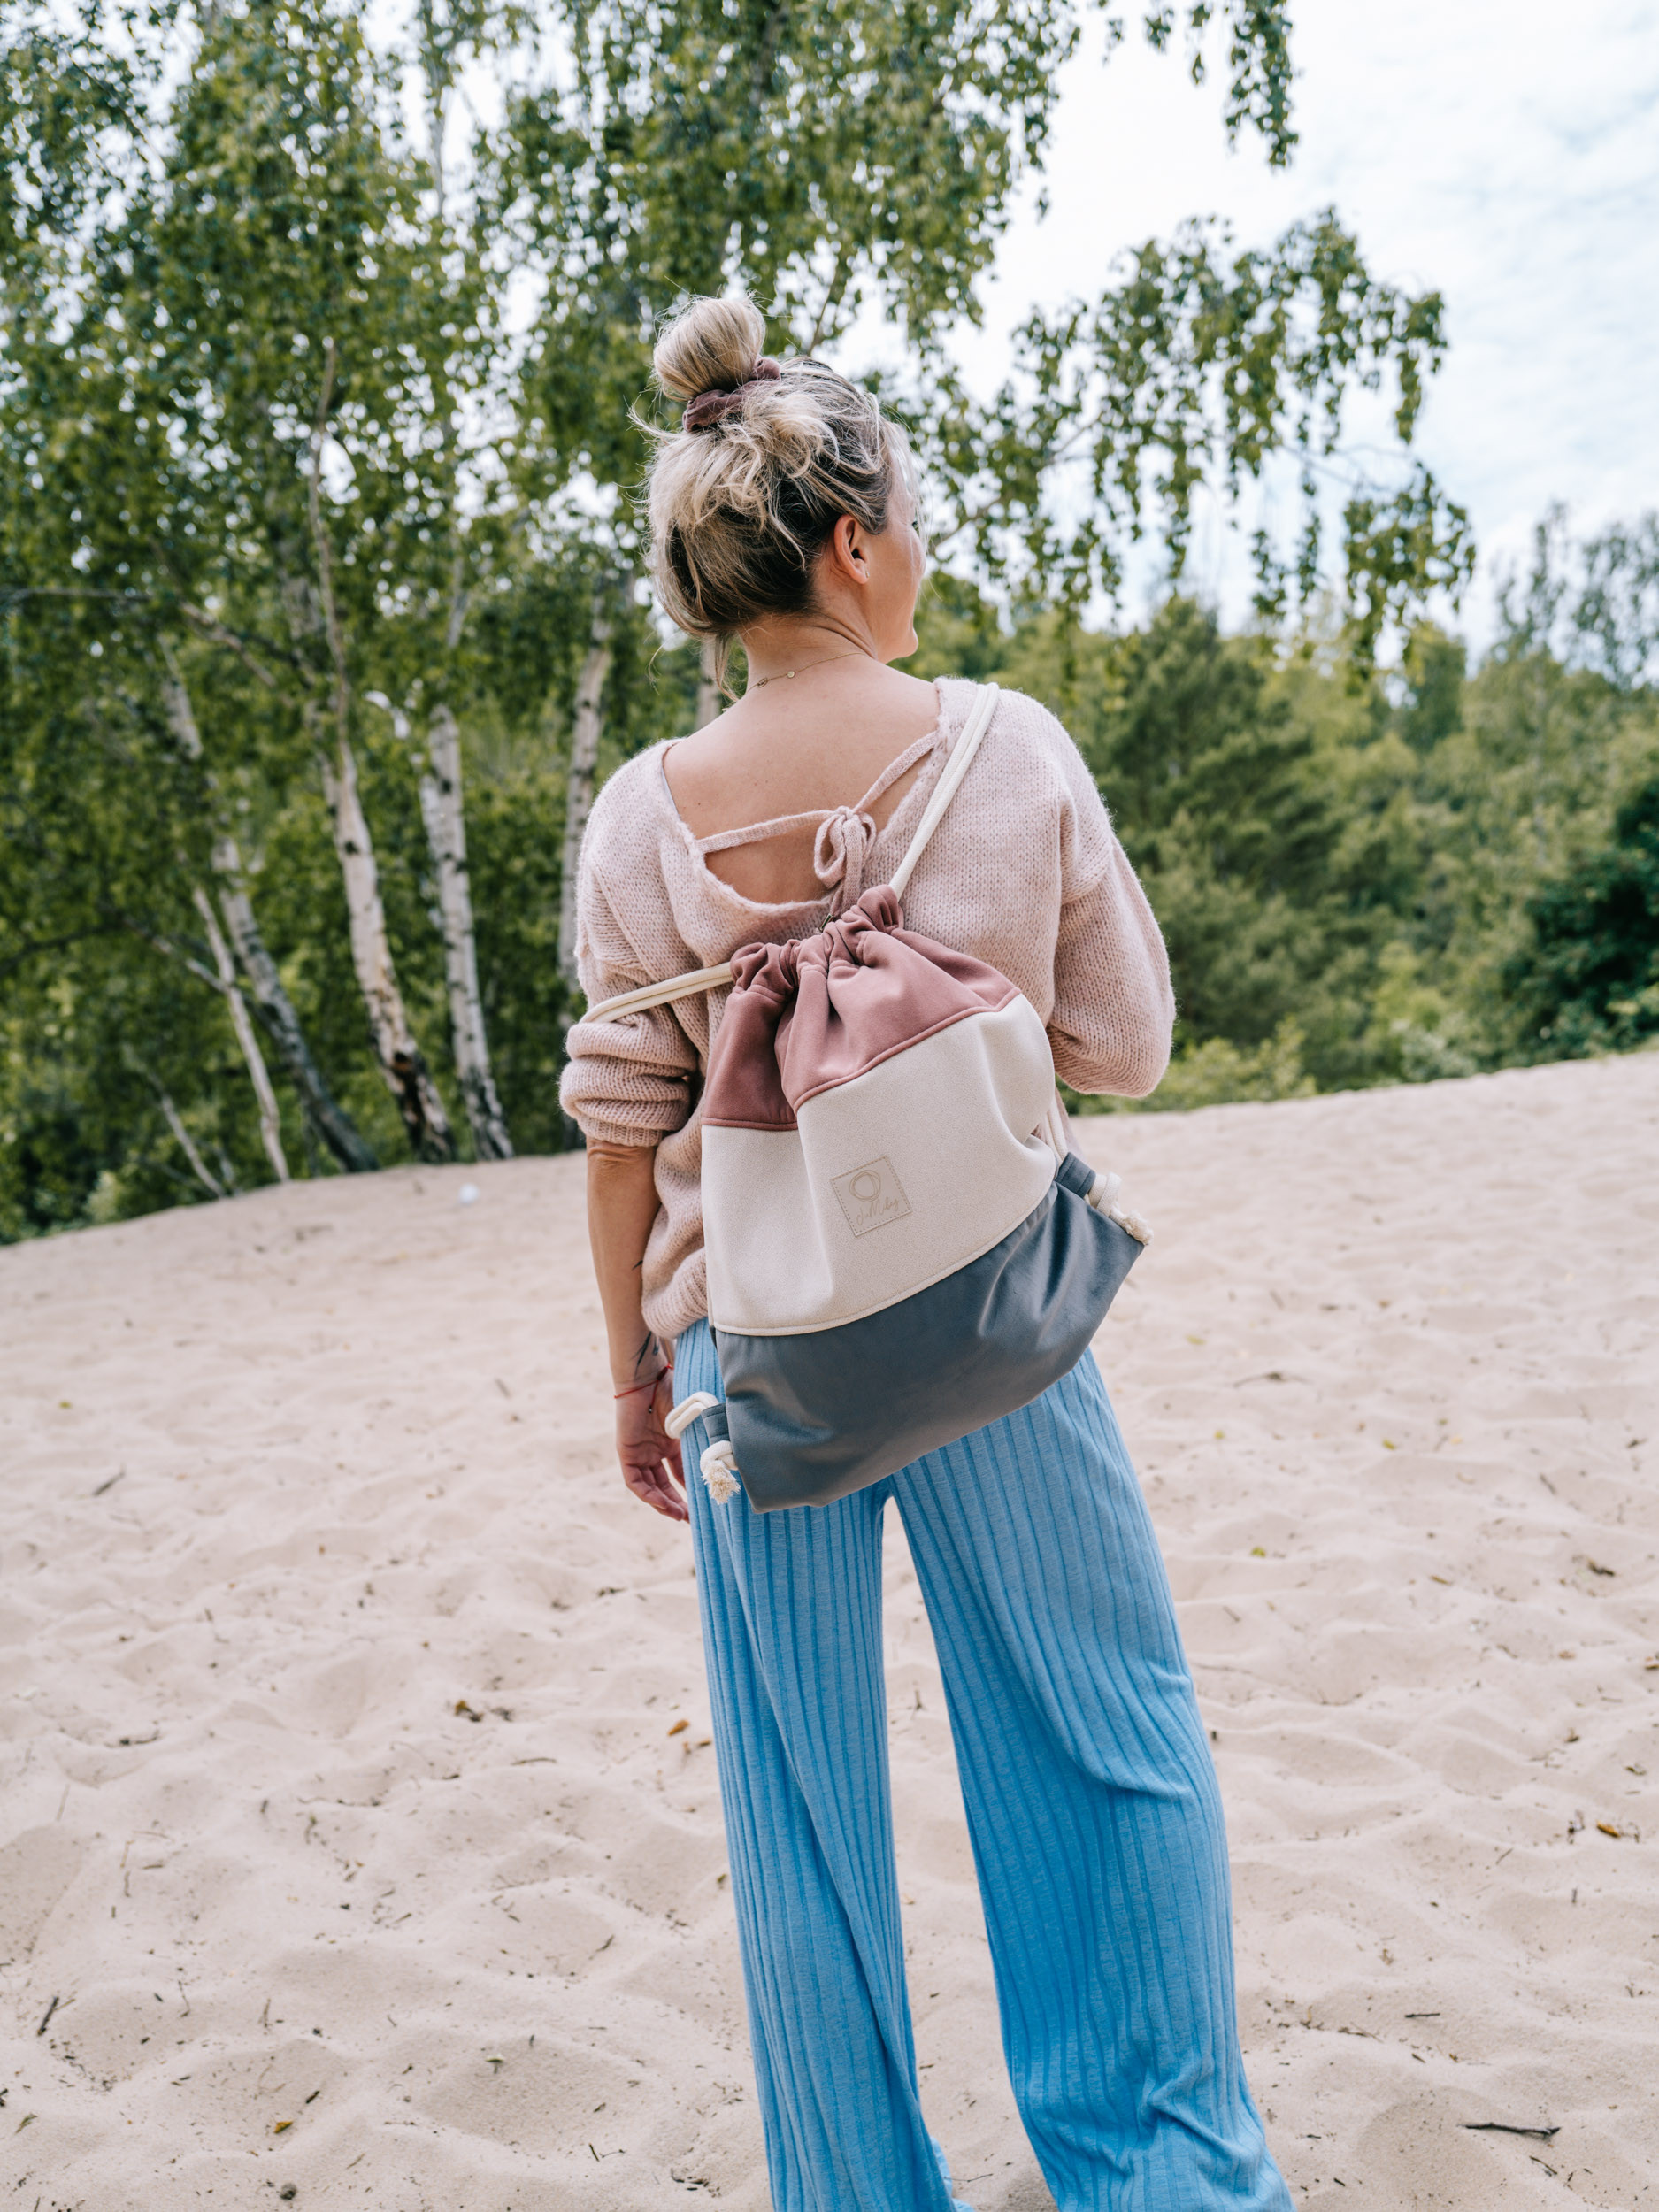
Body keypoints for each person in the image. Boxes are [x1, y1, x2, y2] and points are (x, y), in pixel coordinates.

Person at [561, 292, 1292, 2212]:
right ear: (853, 542)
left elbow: (622, 1129)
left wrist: (633, 1371)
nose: (925, 553)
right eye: (916, 521)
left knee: (800, 1813)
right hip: (991, 1314)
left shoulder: (636, 819)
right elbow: (1124, 1043)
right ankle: (1161, 2172)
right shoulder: (1004, 744)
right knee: (1104, 1736)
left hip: (748, 1354)